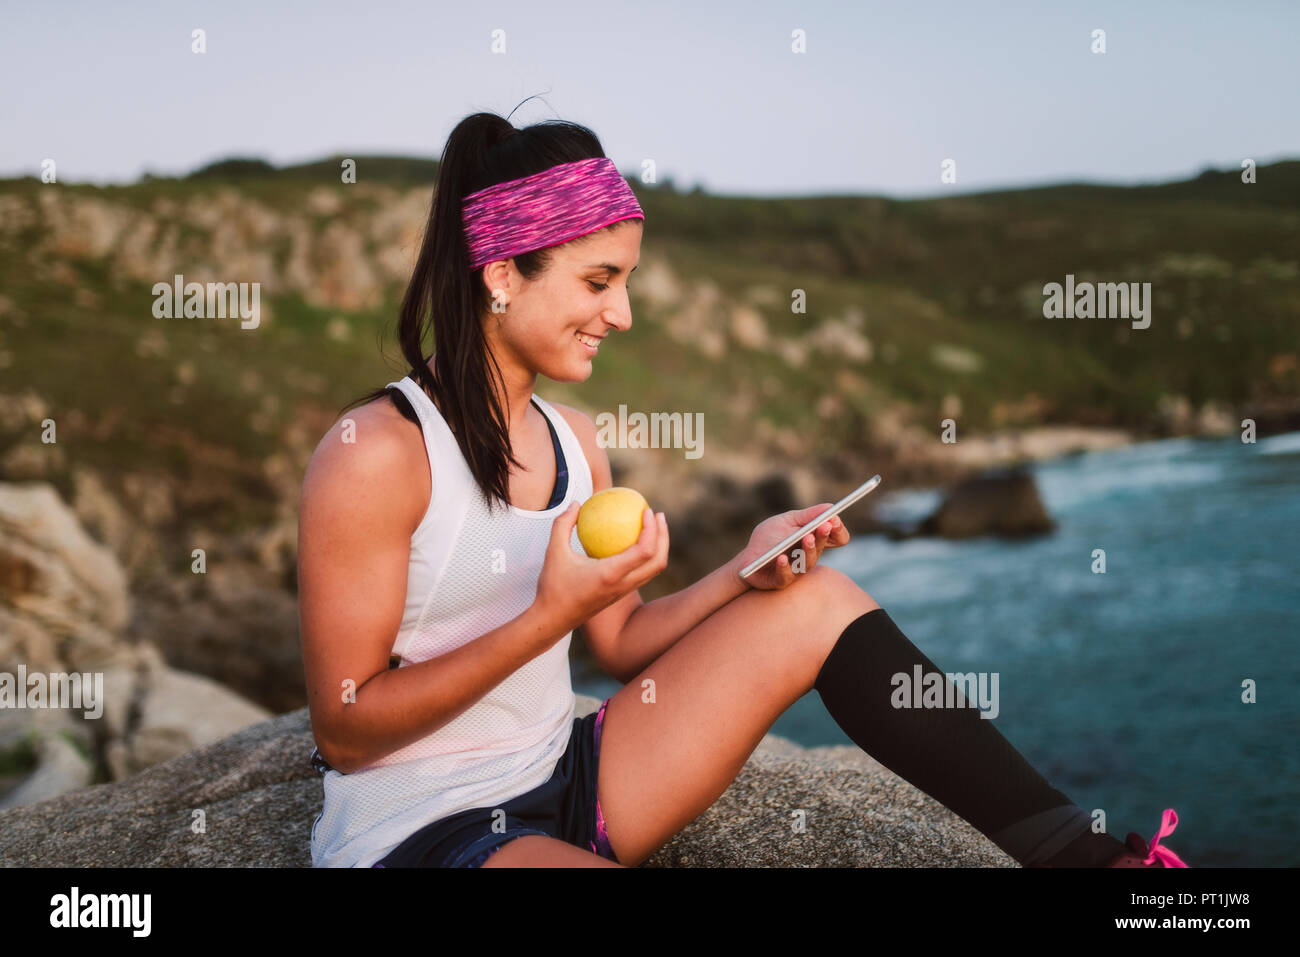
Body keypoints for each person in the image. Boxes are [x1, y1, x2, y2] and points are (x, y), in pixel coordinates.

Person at [297, 107, 1188, 869]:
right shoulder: (378, 450)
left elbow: (621, 643)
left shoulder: (574, 441)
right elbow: (344, 729)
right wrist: (544, 615)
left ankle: (1087, 857)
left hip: (573, 770)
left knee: (818, 602)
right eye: (598, 282)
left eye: (627, 281)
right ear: (501, 275)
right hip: (425, 825)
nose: (622, 314)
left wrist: (744, 569)